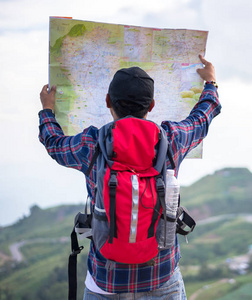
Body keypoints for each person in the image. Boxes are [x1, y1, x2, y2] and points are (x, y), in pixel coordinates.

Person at [38, 54, 221, 299]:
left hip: (106, 281)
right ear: (152, 105)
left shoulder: (92, 144)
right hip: (161, 278)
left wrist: (47, 110)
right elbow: (202, 117)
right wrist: (211, 83)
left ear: (107, 101)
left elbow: (55, 145)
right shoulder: (171, 139)